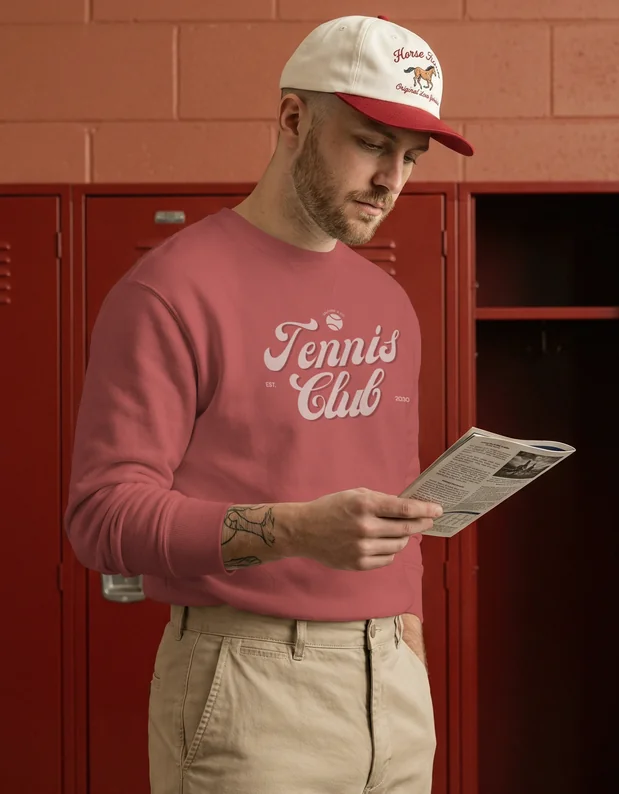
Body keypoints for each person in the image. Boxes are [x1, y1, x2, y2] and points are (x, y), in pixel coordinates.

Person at [64, 13, 473, 794]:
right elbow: (102, 517)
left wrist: (406, 640)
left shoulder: (388, 304)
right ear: (293, 119)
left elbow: (393, 495)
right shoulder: (169, 291)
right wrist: (295, 529)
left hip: (390, 684)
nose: (393, 179)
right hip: (249, 685)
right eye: (371, 144)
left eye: (411, 157)